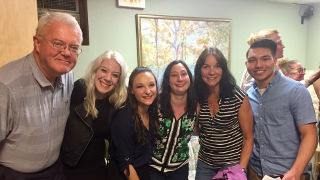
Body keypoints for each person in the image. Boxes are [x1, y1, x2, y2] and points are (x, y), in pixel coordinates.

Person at [0, 12, 82, 179]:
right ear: (37, 43)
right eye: (58, 44)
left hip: (55, 170)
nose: (66, 52)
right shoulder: (6, 85)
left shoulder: (67, 75)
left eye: (73, 47)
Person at [245, 39, 318, 180]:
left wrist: (295, 172)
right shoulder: (248, 95)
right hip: (255, 172)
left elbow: (310, 135)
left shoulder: (296, 91)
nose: (259, 65)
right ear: (247, 64)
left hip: (288, 174)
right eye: (253, 60)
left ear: (275, 60)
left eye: (265, 59)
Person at [60, 50, 128, 179]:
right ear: (95, 70)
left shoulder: (117, 101)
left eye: (115, 75)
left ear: (119, 80)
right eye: (104, 70)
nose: (108, 78)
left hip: (99, 168)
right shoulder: (78, 90)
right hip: (69, 167)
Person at [193, 47, 254, 180]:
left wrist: (240, 170)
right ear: (199, 70)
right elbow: (196, 132)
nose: (211, 72)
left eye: (217, 66)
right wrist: (195, 114)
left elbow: (248, 137)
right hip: (205, 163)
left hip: (232, 164)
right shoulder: (197, 96)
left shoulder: (237, 97)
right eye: (206, 67)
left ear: (223, 70)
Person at [109, 67, 159, 180]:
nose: (148, 91)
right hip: (126, 174)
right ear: (131, 90)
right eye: (140, 86)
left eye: (151, 85)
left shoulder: (153, 112)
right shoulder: (123, 119)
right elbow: (126, 164)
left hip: (145, 170)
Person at [149, 60, 196, 180]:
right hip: (152, 167)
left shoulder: (196, 106)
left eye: (184, 74)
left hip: (179, 169)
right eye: (174, 75)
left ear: (189, 78)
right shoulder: (155, 103)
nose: (180, 78)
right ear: (168, 80)